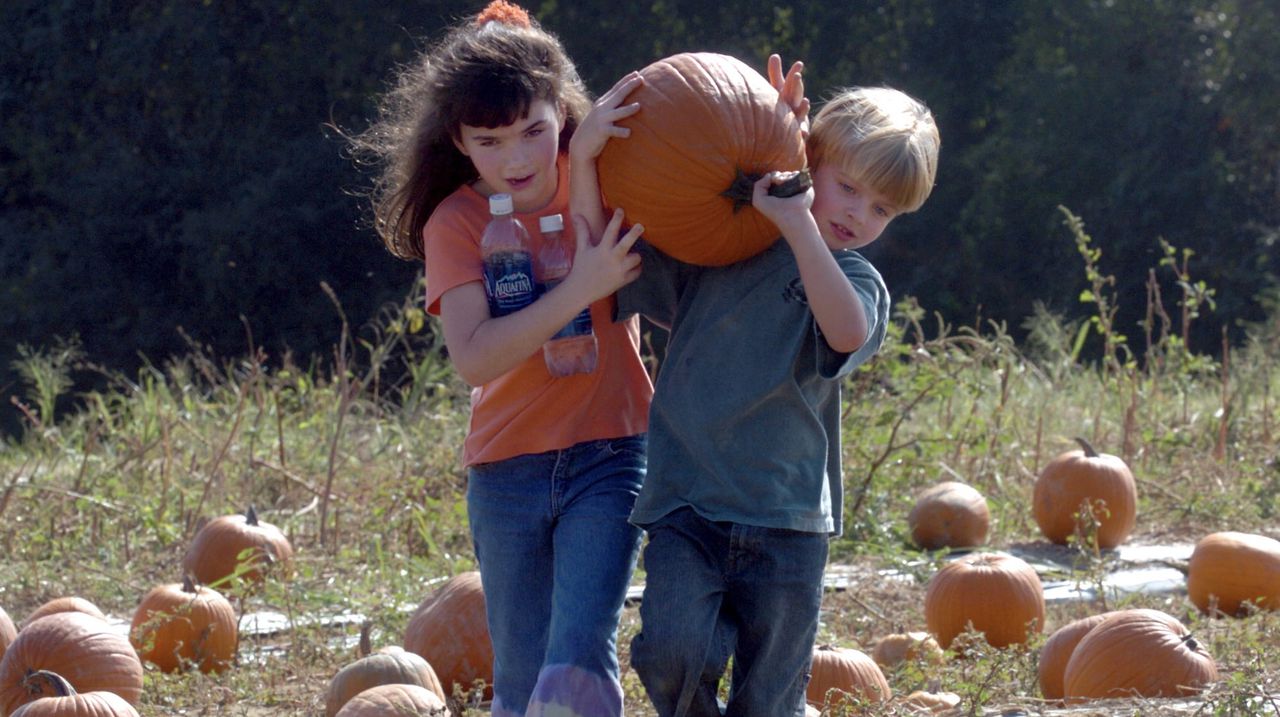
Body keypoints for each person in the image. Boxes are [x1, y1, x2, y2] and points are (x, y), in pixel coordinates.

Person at [602, 58, 941, 716]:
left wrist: (801, 225)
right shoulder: (722, 245)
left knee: (770, 695)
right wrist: (757, 134)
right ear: (813, 160)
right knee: (670, 654)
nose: (860, 215)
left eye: (883, 209)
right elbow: (646, 208)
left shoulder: (855, 281)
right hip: (686, 503)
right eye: (848, 187)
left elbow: (844, 333)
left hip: (786, 518)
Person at [347, 2, 653, 715]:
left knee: (580, 652)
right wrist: (582, 286)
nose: (516, 157)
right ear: (457, 137)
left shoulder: (604, 172)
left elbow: (713, 161)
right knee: (519, 679)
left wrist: (780, 128)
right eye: (489, 140)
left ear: (562, 110)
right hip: (506, 472)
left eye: (534, 132)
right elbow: (477, 358)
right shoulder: (455, 221)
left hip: (611, 454)